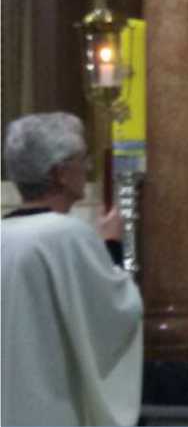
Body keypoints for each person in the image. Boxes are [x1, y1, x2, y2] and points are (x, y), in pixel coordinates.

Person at [2, 112, 143, 426]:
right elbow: (117, 314)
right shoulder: (66, 236)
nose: (87, 167)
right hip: (50, 409)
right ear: (61, 173)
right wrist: (110, 244)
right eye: (82, 159)